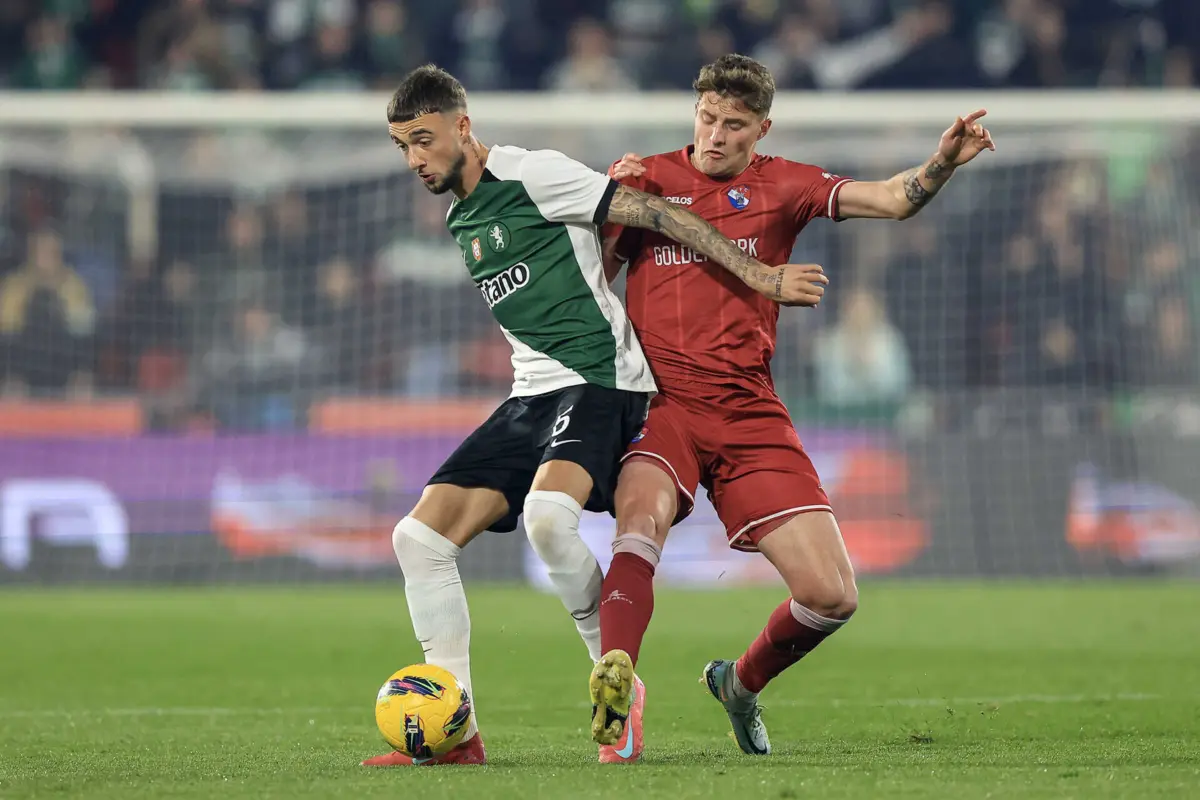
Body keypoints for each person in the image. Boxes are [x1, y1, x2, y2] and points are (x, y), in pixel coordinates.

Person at [363, 63, 830, 767]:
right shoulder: (462, 214)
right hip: (532, 395)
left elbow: (661, 215)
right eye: (403, 147)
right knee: (417, 540)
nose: (415, 159)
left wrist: (761, 276)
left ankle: (618, 687)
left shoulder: (531, 174)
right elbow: (591, 263)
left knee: (551, 520)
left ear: (463, 125)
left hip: (602, 382)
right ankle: (458, 734)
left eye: (423, 140)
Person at [587, 53, 994, 763]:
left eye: (733, 125)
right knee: (639, 522)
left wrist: (944, 163)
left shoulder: (784, 185)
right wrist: (606, 214)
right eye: (707, 118)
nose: (715, 135)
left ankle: (737, 685)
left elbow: (893, 200)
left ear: (761, 128)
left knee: (833, 596)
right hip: (664, 403)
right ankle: (616, 682)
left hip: (749, 413)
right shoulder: (648, 177)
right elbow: (594, 279)